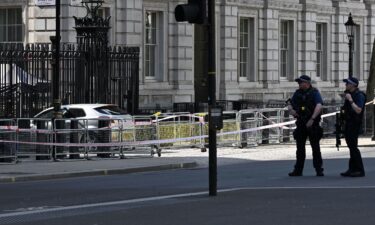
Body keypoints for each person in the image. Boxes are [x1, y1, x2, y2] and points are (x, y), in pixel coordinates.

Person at [287, 75, 324, 176]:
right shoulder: (297, 93)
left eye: (301, 82)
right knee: (300, 149)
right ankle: (298, 170)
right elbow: (290, 104)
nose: (299, 84)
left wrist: (312, 119)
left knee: (315, 148)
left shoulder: (314, 93)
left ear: (307, 83)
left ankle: (319, 169)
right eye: (299, 82)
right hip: (301, 123)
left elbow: (319, 105)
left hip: (312, 124)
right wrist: (292, 111)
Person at [340, 77, 366, 177]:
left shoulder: (359, 95)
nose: (346, 84)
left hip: (355, 124)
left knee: (353, 147)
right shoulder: (349, 94)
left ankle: (360, 170)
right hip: (348, 123)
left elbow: (358, 110)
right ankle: (352, 169)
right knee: (351, 147)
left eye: (348, 83)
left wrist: (350, 100)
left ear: (354, 85)